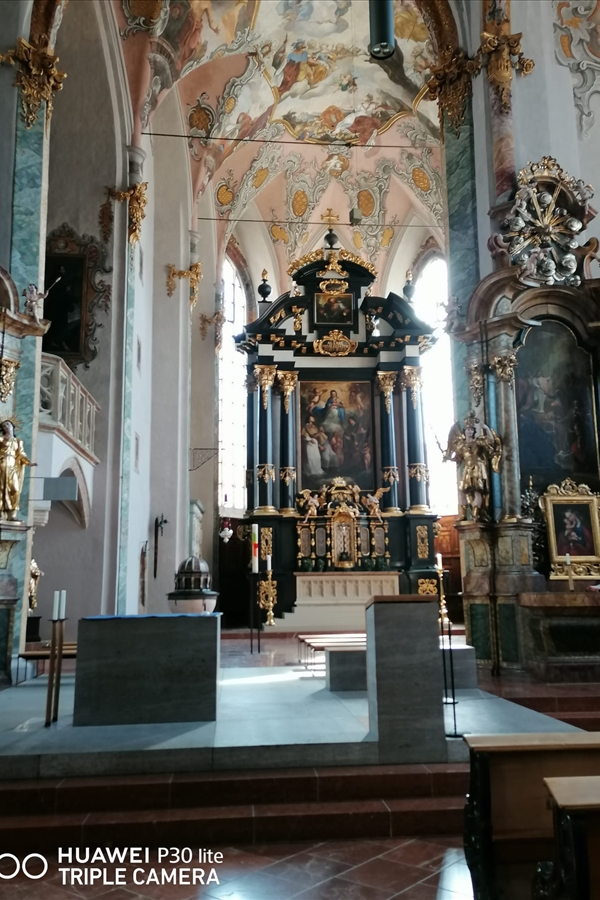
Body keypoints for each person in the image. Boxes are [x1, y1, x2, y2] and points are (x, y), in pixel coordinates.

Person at [0, 420, 32, 521]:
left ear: (12, 426)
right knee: (1, 489)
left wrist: (28, 462)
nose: (6, 426)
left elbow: (21, 454)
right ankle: (1, 513)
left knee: (15, 489)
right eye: (4, 426)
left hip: (13, 466)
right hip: (2, 465)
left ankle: (12, 514)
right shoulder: (1, 439)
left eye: (7, 424)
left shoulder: (18, 441)